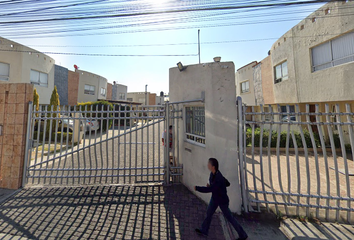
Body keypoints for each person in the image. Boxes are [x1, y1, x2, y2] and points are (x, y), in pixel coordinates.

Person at [194, 158, 248, 240]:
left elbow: (210, 189)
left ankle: (243, 235)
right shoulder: (213, 174)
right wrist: (214, 185)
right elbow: (226, 183)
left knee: (230, 217)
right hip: (215, 198)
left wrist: (197, 188)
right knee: (209, 213)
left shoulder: (218, 178)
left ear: (213, 167)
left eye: (209, 164)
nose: (207, 165)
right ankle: (204, 230)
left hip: (222, 200)